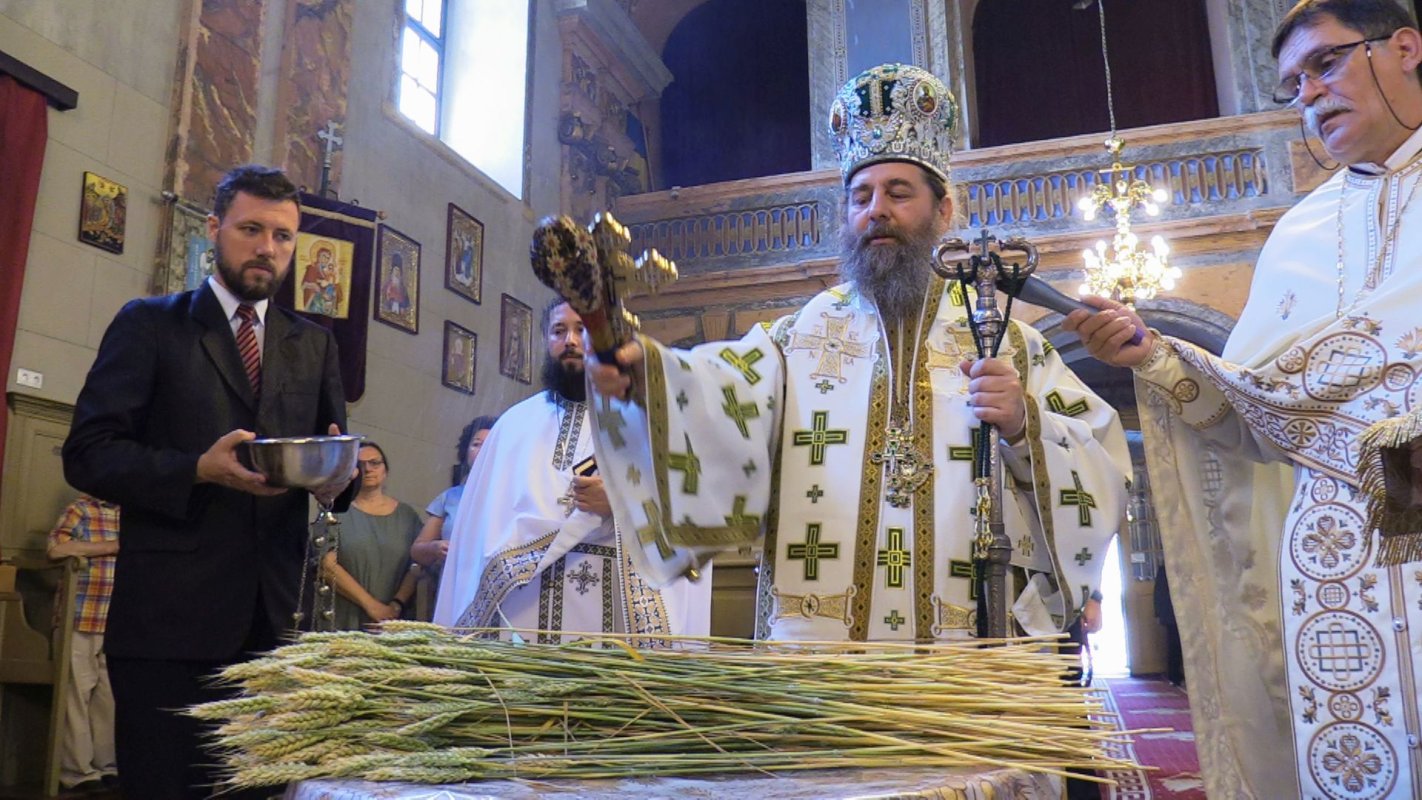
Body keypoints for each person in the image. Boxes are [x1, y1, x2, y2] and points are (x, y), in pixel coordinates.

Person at [587, 63, 1129, 647]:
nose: (876, 210)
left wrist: (1024, 424)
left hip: (968, 656)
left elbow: (1103, 462)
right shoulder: (797, 336)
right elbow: (720, 395)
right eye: (861, 196)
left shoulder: (1007, 343)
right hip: (820, 651)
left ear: (944, 211)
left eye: (899, 193)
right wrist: (649, 377)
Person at [1063, 3, 1422, 796]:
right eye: (1293, 84)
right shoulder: (1297, 236)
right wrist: (1152, 356)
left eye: (1325, 63)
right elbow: (1257, 419)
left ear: (1404, 47)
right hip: (1336, 576)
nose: (1309, 94)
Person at [62, 164, 353, 800]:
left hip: (273, 620)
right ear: (215, 228)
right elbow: (88, 453)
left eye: (282, 236)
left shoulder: (313, 345)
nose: (267, 248)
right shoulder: (150, 324)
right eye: (251, 229)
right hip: (168, 621)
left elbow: (332, 454)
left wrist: (337, 480)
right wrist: (196, 468)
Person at [433, 300, 712, 641]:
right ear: (545, 340)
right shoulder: (513, 426)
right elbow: (481, 531)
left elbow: (695, 508)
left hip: (619, 612)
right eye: (558, 331)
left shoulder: (653, 421)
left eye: (583, 329)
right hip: (524, 610)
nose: (571, 341)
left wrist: (623, 503)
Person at [45, 494, 120, 792]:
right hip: (80, 615)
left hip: (119, 620)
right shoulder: (81, 509)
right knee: (76, 693)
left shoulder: (135, 512)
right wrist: (111, 547)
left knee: (109, 696)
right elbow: (56, 548)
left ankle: (107, 765)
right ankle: (77, 771)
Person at [322, 442, 422, 629]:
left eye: (375, 463)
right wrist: (372, 606)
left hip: (395, 622)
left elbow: (417, 566)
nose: (367, 469)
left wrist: (395, 606)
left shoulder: (408, 517)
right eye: (359, 465)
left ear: (386, 470)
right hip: (343, 621)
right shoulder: (335, 512)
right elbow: (327, 566)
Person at [411, 414, 499, 570]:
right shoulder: (450, 497)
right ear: (465, 452)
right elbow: (417, 551)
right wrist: (435, 548)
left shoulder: (513, 497)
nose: (482, 451)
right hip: (451, 579)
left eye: (490, 445)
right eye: (476, 444)